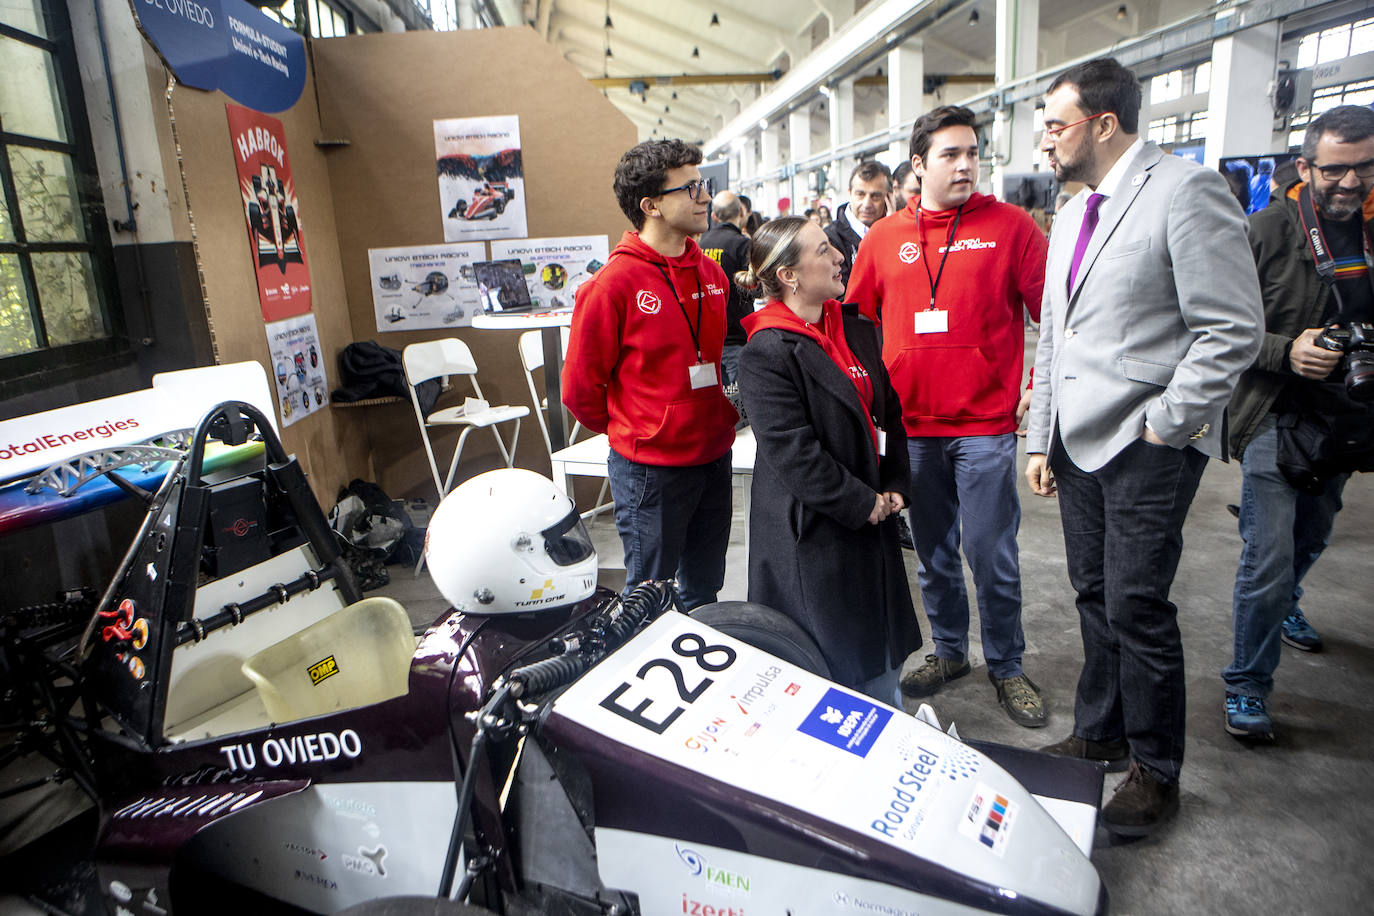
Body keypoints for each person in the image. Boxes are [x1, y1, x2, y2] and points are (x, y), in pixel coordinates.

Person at [1026, 57, 1262, 836]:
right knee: (1093, 594)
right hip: (1077, 441)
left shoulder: (1184, 191)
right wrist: (1041, 435)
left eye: (1055, 124)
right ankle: (1101, 730)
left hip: (1144, 442)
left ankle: (1156, 771)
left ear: (1104, 122)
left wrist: (1167, 422)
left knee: (1136, 602)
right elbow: (1055, 334)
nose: (1045, 140)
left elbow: (1232, 327)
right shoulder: (1070, 212)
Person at [845, 105, 1049, 728]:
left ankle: (1008, 665)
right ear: (919, 164)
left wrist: (1036, 389)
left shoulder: (1012, 228)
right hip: (913, 431)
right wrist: (865, 402)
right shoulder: (884, 238)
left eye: (972, 153)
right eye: (950, 155)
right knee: (933, 553)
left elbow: (1057, 320)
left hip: (985, 426)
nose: (965, 165)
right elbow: (853, 324)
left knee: (992, 554)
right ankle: (952, 652)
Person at [1222, 105, 1374, 741]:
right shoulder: (1266, 231)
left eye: (1364, 169)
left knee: (1314, 535)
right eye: (1336, 170)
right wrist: (1288, 350)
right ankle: (1248, 687)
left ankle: (1289, 605)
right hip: (1273, 412)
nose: (1350, 183)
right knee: (1269, 555)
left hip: (1345, 416)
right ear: (1306, 166)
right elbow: (1219, 327)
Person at [735, 217, 919, 698]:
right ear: (789, 275)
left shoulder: (852, 328)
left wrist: (896, 480)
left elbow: (888, 411)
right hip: (816, 533)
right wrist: (862, 502)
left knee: (878, 656)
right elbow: (794, 453)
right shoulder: (767, 352)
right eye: (823, 251)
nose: (839, 256)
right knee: (834, 669)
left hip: (871, 517)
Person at [562, 139, 738, 610]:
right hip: (652, 469)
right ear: (651, 205)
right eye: (691, 188)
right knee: (649, 597)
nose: (704, 196)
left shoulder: (711, 274)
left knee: (705, 589)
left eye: (704, 185)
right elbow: (580, 391)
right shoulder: (610, 286)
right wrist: (642, 427)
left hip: (713, 454)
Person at [699, 190, 754, 386]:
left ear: (713, 216)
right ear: (741, 212)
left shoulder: (700, 244)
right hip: (736, 334)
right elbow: (755, 287)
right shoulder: (742, 245)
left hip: (708, 338)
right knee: (740, 401)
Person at [825, 160, 892, 288]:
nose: (867, 204)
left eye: (875, 196)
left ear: (889, 197)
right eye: (860, 194)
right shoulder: (831, 239)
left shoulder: (898, 234)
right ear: (850, 193)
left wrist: (891, 230)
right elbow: (840, 298)